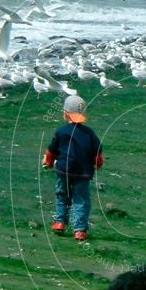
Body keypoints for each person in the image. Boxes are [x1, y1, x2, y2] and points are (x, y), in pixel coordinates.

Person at [42, 95, 103, 241]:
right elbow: (98, 154)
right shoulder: (90, 134)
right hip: (83, 173)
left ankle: (60, 222)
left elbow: (51, 151)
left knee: (62, 195)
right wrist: (97, 165)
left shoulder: (61, 132)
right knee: (81, 200)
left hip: (63, 170)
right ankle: (80, 230)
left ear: (65, 113)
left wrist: (48, 163)